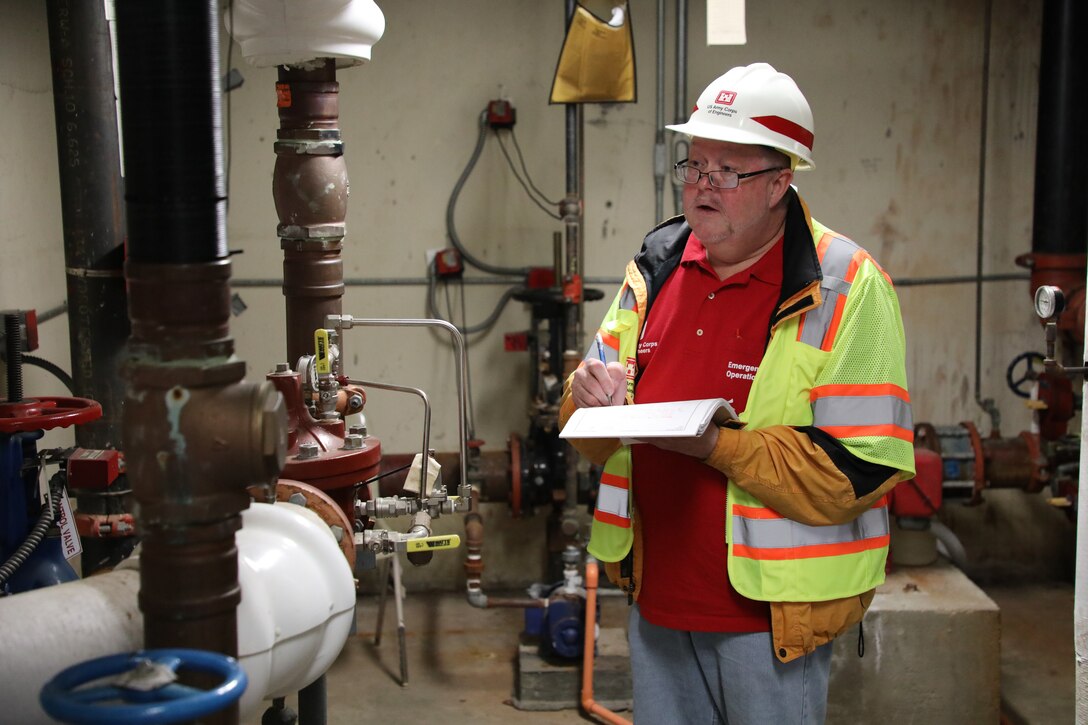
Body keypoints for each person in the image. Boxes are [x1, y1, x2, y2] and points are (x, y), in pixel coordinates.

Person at [559, 62, 916, 724]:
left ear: (781, 181)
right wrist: (585, 401)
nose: (702, 186)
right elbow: (588, 431)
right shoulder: (657, 267)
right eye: (694, 166)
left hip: (766, 623)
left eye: (728, 171)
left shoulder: (846, 285)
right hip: (655, 602)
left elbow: (858, 472)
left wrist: (716, 445)